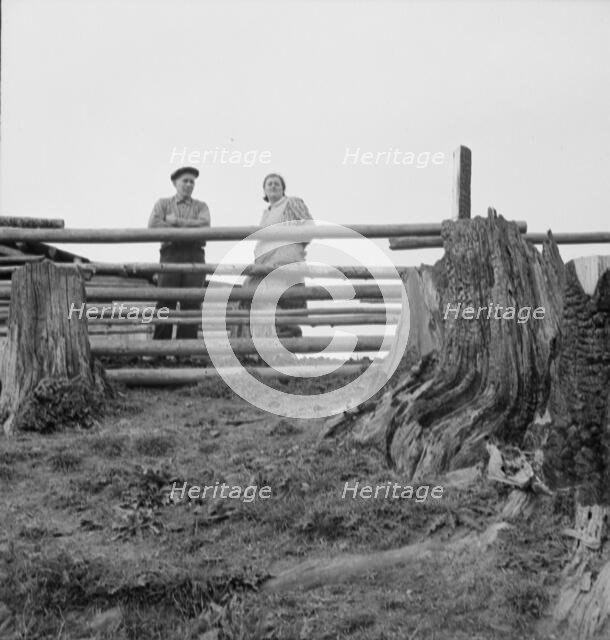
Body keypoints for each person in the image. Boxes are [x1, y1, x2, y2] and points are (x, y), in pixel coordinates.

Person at [240, 173, 313, 342]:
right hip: (264, 264)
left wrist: (287, 237)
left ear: (283, 189)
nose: (273, 186)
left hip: (284, 262)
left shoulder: (291, 202)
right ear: (264, 190)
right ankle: (271, 343)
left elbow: (310, 227)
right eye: (269, 184)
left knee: (272, 301)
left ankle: (289, 333)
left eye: (277, 184)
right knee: (251, 296)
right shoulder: (266, 213)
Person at [148, 167, 210, 340]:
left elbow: (205, 226)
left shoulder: (201, 206)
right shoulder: (163, 203)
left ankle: (185, 352)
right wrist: (191, 226)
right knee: (165, 300)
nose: (189, 184)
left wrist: (176, 222)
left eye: (192, 181)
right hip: (170, 253)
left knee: (191, 302)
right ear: (175, 183)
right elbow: (153, 226)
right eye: (185, 180)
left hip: (195, 254)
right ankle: (160, 350)